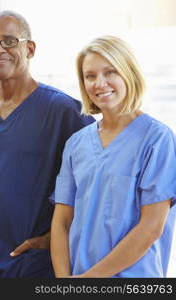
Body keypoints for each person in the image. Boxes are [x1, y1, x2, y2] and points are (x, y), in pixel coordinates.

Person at [0, 10, 94, 278]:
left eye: (10, 41)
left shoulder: (65, 113)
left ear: (30, 48)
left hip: (37, 266)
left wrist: (52, 238)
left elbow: (91, 188)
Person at [50, 35, 176, 277]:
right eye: (90, 76)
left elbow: (151, 227)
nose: (100, 83)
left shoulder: (157, 139)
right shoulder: (76, 144)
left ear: (128, 74)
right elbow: (62, 222)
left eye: (110, 72)